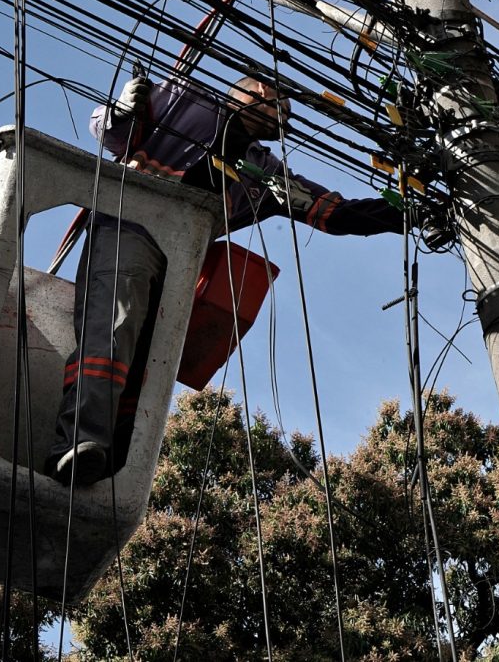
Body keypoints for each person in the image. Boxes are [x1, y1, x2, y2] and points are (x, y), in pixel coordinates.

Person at [48, 74, 404, 486]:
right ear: (247, 89)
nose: (283, 113)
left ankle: (116, 457)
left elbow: (332, 213)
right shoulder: (186, 97)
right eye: (275, 100)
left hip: (180, 259)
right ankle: (78, 440)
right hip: (131, 224)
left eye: (286, 111)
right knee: (114, 328)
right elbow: (112, 133)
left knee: (149, 359)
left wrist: (404, 214)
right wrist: (123, 108)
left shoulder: (266, 173)